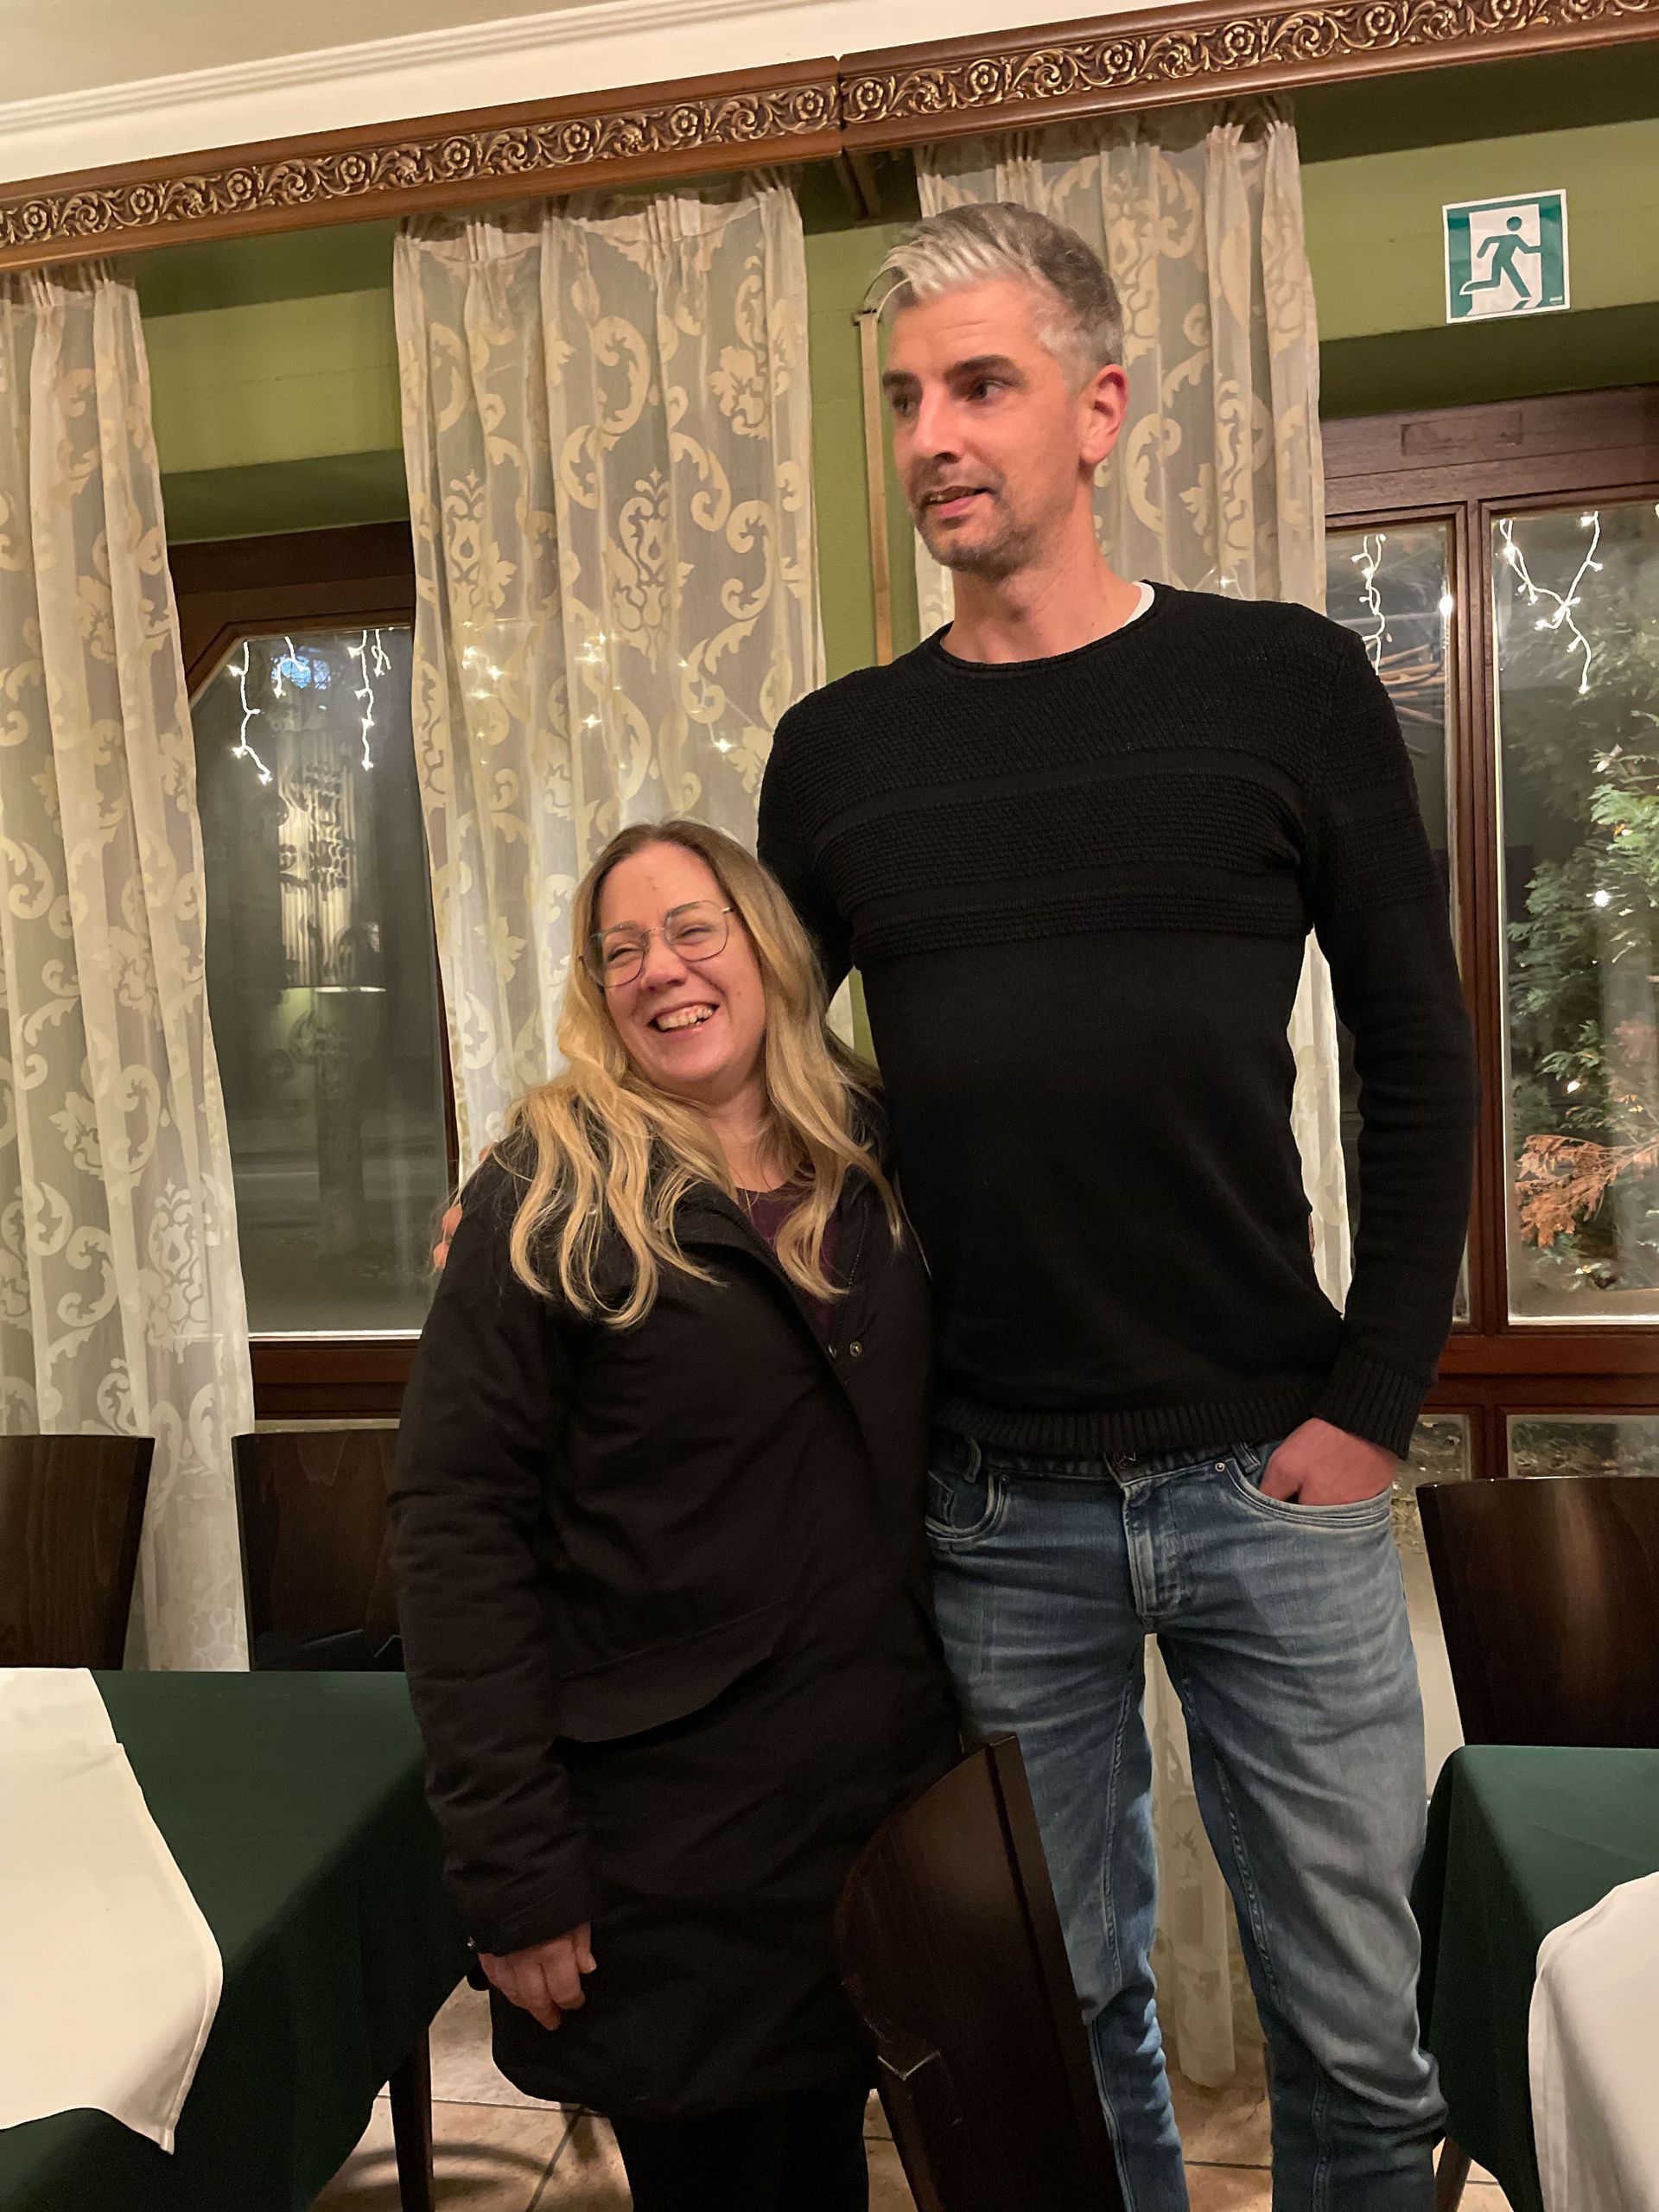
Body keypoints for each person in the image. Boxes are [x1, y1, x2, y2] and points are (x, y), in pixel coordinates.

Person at [755, 205, 1479, 2211]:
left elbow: (1421, 1054)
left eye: (980, 384)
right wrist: (556, 1187)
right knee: (1060, 2021)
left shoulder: (1283, 682)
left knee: (1363, 2029)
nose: (932, 434)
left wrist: (1374, 1404)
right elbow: (760, 1090)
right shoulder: (838, 755)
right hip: (994, 1498)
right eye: (905, 397)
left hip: (1280, 1475)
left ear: (1099, 408)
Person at [391, 818, 957, 2212]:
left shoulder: (878, 1153)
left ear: (766, 947)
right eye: (622, 949)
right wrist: (511, 1870)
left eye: (695, 928)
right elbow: (455, 1534)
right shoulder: (543, 1191)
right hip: (668, 1849)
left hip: (865, 1809)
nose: (662, 968)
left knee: (822, 2173)